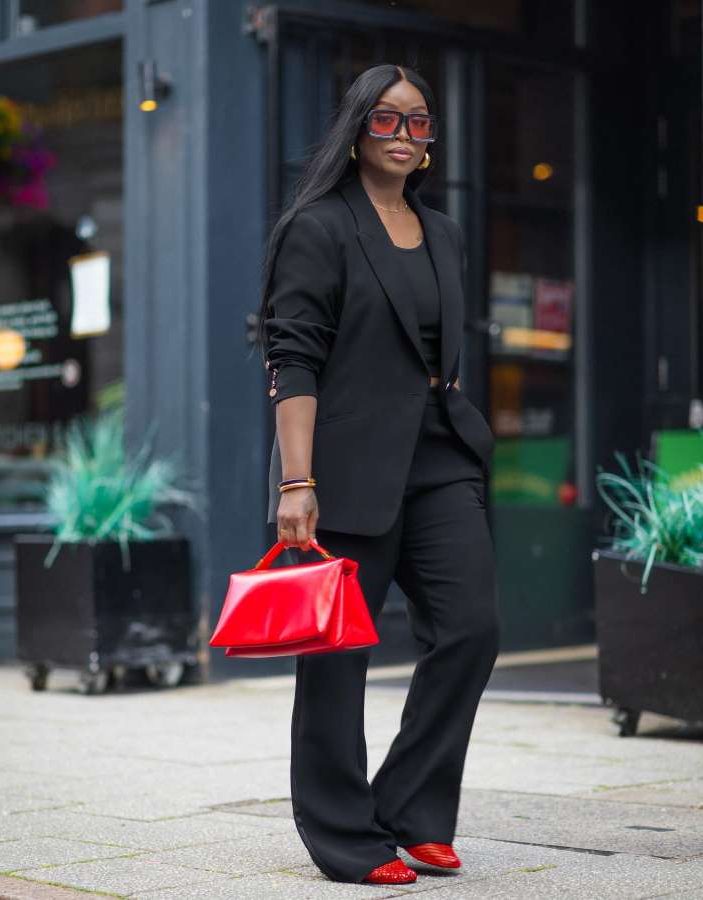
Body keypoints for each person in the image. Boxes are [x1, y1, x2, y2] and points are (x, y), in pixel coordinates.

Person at [255, 63, 501, 886]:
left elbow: (439, 348)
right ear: (358, 130)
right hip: (344, 469)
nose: (404, 134)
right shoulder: (318, 228)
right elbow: (293, 360)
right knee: (337, 659)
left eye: (419, 122)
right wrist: (297, 482)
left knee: (471, 629)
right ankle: (344, 835)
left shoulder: (445, 233)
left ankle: (412, 810)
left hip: (439, 459)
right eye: (388, 121)